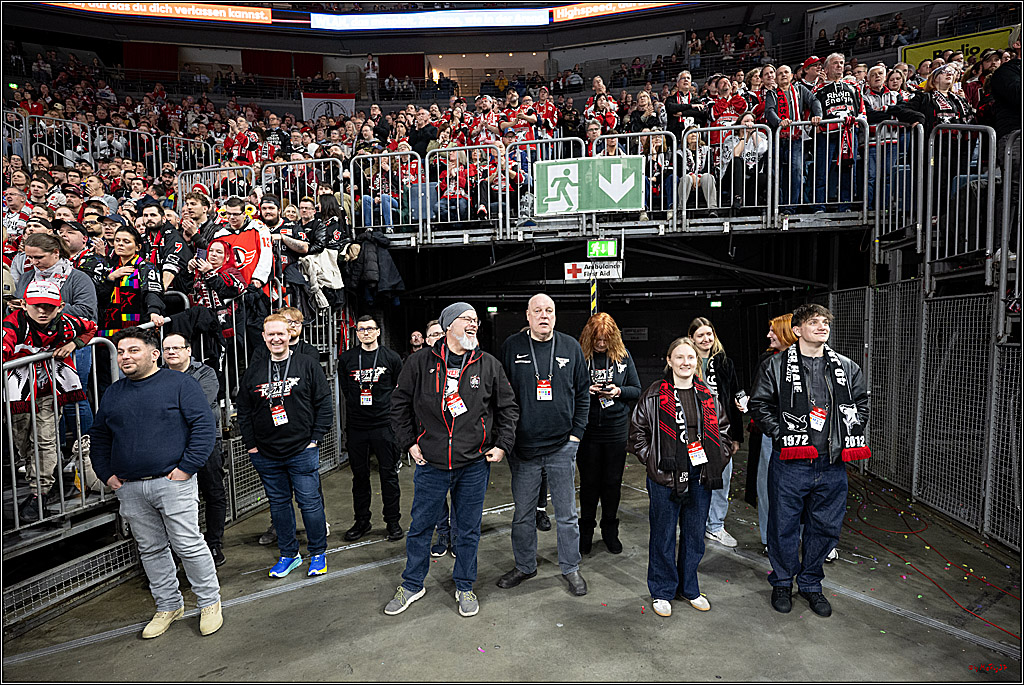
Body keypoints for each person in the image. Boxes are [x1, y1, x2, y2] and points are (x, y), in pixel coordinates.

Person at [385, 303, 519, 617]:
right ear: (448, 326)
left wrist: (502, 445)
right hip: (431, 463)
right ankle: (412, 583)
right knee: (420, 527)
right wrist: (409, 443)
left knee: (468, 530)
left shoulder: (488, 364)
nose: (473, 325)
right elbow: (398, 404)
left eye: (476, 320)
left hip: (473, 464)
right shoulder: (419, 362)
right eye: (466, 320)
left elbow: (508, 408)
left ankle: (464, 585)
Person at [89, 326, 222, 638]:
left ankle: (209, 602)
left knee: (188, 544)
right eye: (120, 351)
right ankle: (168, 605)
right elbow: (99, 436)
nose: (125, 357)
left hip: (172, 481)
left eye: (133, 350)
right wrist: (106, 474)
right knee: (150, 550)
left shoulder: (180, 384)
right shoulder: (114, 393)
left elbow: (203, 427)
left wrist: (186, 468)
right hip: (130, 487)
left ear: (154, 354)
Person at [748, 304, 870, 617]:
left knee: (825, 527)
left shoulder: (847, 367)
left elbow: (861, 405)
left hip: (832, 463)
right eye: (813, 322)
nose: (821, 326)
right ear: (798, 329)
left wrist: (845, 437)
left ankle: (812, 583)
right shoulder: (775, 367)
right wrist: (781, 434)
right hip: (790, 463)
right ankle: (782, 581)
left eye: (825, 322)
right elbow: (759, 405)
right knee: (783, 526)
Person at [629, 336, 730, 617]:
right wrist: (654, 461)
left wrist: (716, 462)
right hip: (665, 479)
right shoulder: (653, 394)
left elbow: (723, 432)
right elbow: (637, 434)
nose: (686, 362)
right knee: (663, 535)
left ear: (696, 362)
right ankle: (662, 590)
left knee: (695, 535)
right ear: (669, 361)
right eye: (680, 357)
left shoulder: (708, 395)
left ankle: (690, 587)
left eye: (691, 358)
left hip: (700, 478)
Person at [498, 293, 590, 596]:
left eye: (549, 310)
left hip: (562, 446)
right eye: (537, 310)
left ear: (555, 315)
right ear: (527, 315)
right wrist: (507, 439)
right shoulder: (512, 347)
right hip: (523, 450)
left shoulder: (570, 346)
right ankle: (525, 566)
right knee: (523, 515)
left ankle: (571, 568)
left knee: (566, 515)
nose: (543, 315)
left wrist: (575, 436)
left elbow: (583, 395)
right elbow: (501, 397)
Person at [237, 313, 333, 578]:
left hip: (302, 449)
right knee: (279, 506)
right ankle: (289, 555)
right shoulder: (254, 371)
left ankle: (317, 553)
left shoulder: (307, 364)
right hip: (266, 454)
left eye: (281, 333)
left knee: (310, 504)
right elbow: (244, 411)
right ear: (264, 337)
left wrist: (315, 439)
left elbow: (324, 403)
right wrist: (251, 446)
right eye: (271, 334)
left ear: (290, 334)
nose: (277, 338)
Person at [3, 281, 97, 522]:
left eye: (49, 306)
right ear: (24, 304)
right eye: (37, 306)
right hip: (19, 394)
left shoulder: (67, 322)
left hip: (49, 391)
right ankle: (37, 475)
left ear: (60, 306)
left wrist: (72, 344)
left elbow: (91, 328)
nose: (43, 311)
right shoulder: (13, 323)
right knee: (23, 440)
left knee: (45, 440)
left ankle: (40, 492)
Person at [576, 313, 641, 555]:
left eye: (605, 340)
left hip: (615, 430)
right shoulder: (579, 357)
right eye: (597, 340)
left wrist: (618, 391)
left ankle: (610, 531)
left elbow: (636, 389)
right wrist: (586, 390)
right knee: (589, 483)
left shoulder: (623, 357)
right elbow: (568, 388)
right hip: (588, 430)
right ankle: (586, 532)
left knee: (612, 483)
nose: (601, 344)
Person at [161, 332, 228, 566]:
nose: (171, 352)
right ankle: (182, 548)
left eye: (177, 348)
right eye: (167, 348)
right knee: (177, 499)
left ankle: (214, 543)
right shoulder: (157, 376)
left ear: (188, 351)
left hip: (205, 441)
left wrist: (168, 409)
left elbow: (198, 403)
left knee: (213, 492)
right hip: (172, 444)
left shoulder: (206, 373)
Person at [338, 314, 405, 542]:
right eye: (361, 330)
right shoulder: (347, 359)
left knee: (388, 475)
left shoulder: (391, 358)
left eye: (369, 329)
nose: (365, 333)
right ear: (356, 333)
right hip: (357, 426)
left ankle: (393, 521)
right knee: (360, 477)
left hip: (384, 425)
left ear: (377, 331)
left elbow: (399, 389)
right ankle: (362, 521)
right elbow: (347, 390)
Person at [687, 317, 744, 548]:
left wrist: (737, 437)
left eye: (709, 334)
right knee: (694, 480)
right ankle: (695, 525)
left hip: (721, 433)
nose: (706, 339)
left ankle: (716, 526)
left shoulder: (724, 363)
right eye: (700, 335)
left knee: (721, 480)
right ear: (691, 338)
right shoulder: (686, 360)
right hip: (692, 433)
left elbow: (734, 400)